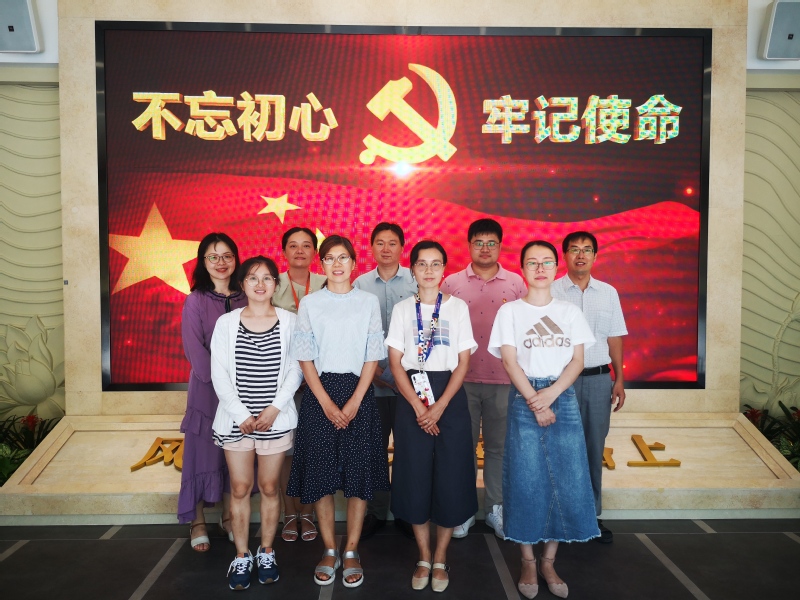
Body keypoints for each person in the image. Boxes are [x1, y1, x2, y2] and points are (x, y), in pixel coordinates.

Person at [489, 240, 599, 599]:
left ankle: (549, 561)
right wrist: (536, 401)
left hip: (562, 396)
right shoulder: (510, 312)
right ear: (522, 268)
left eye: (547, 262)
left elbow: (578, 361)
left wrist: (550, 395)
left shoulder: (569, 311)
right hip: (525, 397)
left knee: (566, 478)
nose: (540, 268)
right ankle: (527, 561)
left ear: (556, 268)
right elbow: (510, 362)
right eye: (532, 262)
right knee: (526, 480)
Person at [287, 235, 389, 588]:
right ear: (322, 264)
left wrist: (356, 401)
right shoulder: (311, 303)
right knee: (321, 477)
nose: (337, 264)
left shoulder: (367, 301)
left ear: (354, 263)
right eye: (329, 258)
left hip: (359, 392)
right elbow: (304, 357)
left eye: (343, 257)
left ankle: (352, 550)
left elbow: (373, 354)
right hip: (320, 395)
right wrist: (327, 403)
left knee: (358, 479)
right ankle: (330, 549)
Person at [386, 240, 478, 593]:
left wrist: (439, 406)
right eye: (422, 264)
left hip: (449, 394)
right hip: (413, 394)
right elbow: (395, 362)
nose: (428, 270)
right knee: (415, 474)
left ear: (444, 269)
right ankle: (423, 556)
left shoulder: (457, 307)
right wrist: (418, 406)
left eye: (435, 264)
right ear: (412, 270)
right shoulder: (402, 309)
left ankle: (441, 557)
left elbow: (464, 361)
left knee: (451, 475)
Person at [210, 256, 303, 590]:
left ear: (276, 284)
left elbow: (296, 368)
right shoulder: (226, 323)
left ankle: (266, 551)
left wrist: (275, 409)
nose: (260, 284)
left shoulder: (291, 321)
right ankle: (241, 554)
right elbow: (219, 373)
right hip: (237, 422)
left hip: (274, 421)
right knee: (239, 487)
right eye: (252, 278)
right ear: (242, 285)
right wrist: (242, 415)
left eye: (267, 278)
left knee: (268, 486)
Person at [440, 218, 526, 538]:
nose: (485, 248)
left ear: (501, 246)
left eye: (491, 243)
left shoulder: (516, 284)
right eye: (479, 243)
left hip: (504, 380)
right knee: (460, 448)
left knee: (498, 449)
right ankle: (463, 511)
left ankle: (494, 509)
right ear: (469, 246)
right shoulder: (451, 283)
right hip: (460, 381)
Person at [551, 231, 628, 544]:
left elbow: (615, 337)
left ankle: (590, 517)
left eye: (586, 250)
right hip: (560, 382)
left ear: (595, 256)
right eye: (574, 249)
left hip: (598, 380)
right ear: (565, 256)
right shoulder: (551, 291)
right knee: (559, 449)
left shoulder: (608, 293)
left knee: (594, 450)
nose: (580, 255)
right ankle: (558, 516)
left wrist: (618, 378)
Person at [179, 232, 247, 552]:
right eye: (213, 257)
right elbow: (196, 352)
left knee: (234, 456)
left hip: (243, 391)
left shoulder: (248, 296)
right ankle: (197, 521)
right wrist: (223, 383)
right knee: (201, 454)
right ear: (203, 262)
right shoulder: (195, 300)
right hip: (207, 392)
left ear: (236, 259)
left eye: (227, 256)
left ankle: (229, 517)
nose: (221, 263)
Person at [353, 222, 418, 540]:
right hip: (372, 383)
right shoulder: (359, 284)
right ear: (372, 248)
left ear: (402, 247)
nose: (386, 248)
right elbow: (352, 333)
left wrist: (403, 374)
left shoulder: (417, 280)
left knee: (408, 450)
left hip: (410, 385)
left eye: (392, 243)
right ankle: (377, 512)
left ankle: (405, 511)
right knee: (373, 451)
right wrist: (374, 373)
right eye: (380, 243)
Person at [272, 226, 325, 543]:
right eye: (293, 245)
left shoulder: (326, 283)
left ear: (315, 253)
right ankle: (288, 512)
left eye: (307, 245)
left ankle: (308, 513)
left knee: (313, 449)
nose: (300, 251)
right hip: (280, 381)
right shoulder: (272, 283)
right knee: (285, 451)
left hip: (318, 381)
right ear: (284, 252)